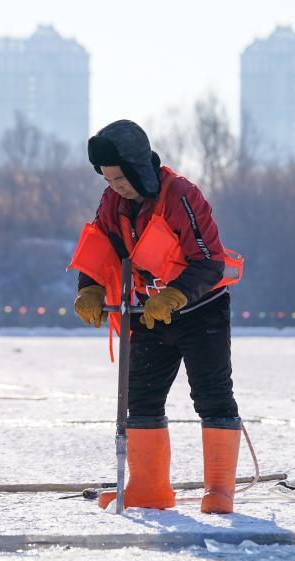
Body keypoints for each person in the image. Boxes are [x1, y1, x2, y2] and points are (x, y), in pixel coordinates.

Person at [70, 119, 244, 514]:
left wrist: (176, 295)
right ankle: (149, 489)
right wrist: (90, 289)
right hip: (147, 312)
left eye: (119, 177)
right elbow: (100, 246)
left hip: (201, 310)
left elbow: (209, 260)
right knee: (141, 398)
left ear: (136, 167)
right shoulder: (112, 202)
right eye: (108, 178)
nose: (115, 185)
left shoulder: (181, 195)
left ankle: (219, 491)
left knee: (212, 396)